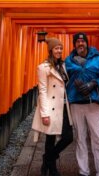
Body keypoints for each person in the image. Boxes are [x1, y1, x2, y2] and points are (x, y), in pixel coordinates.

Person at [65, 32, 99, 176]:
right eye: (77, 42)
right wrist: (74, 85)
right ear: (74, 45)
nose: (80, 44)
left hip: (94, 103)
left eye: (82, 41)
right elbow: (63, 79)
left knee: (98, 138)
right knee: (80, 139)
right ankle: (83, 172)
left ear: (87, 43)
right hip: (76, 104)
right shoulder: (68, 60)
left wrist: (94, 83)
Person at [31, 37, 73, 176]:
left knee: (68, 137)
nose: (59, 50)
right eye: (56, 48)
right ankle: (52, 168)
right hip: (51, 107)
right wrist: (44, 113)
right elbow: (42, 91)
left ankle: (47, 158)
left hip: (64, 105)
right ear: (51, 50)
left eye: (60, 48)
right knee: (50, 138)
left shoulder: (62, 65)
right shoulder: (43, 67)